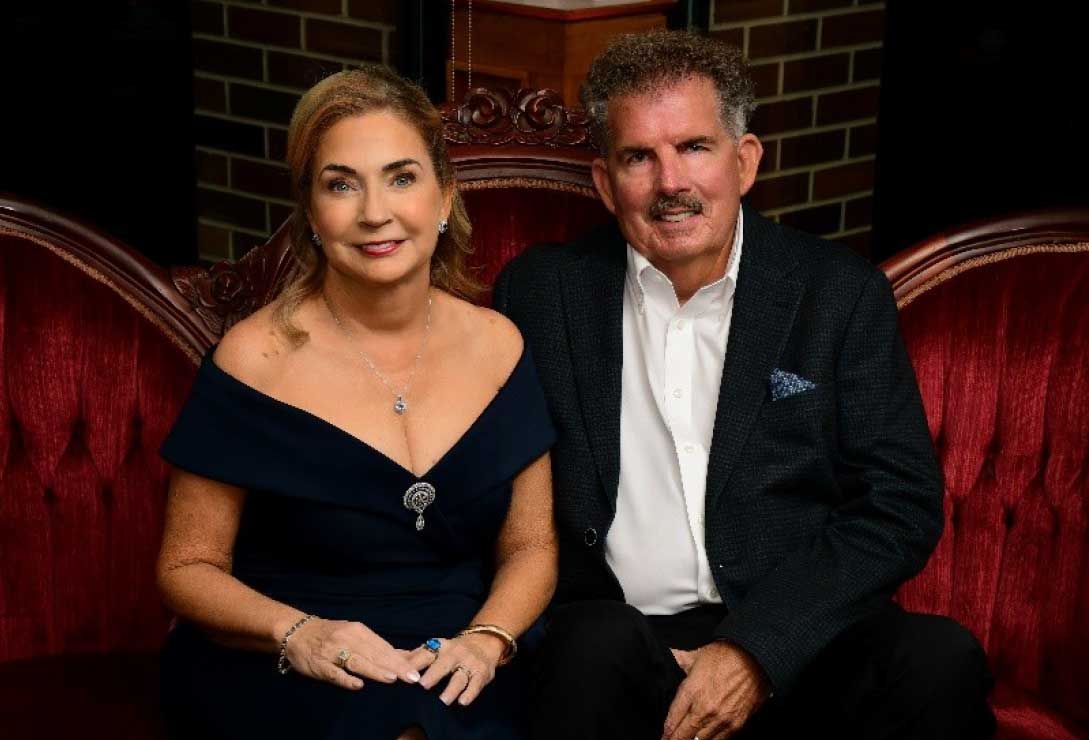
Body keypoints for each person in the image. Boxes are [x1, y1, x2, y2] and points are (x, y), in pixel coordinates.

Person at [494, 31, 995, 740]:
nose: (671, 182)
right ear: (605, 182)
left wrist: (755, 649)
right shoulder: (543, 295)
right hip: (624, 646)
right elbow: (502, 495)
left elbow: (898, 505)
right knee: (589, 647)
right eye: (639, 156)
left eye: (694, 147)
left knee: (937, 659)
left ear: (744, 160)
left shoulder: (837, 293)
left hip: (801, 636)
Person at [155, 66, 557, 740]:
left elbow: (532, 547)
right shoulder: (254, 359)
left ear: (443, 196)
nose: (375, 212)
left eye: (401, 177)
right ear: (312, 214)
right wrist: (302, 634)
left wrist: (487, 640)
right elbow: (185, 568)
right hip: (292, 656)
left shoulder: (499, 346)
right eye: (342, 185)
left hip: (459, 654)